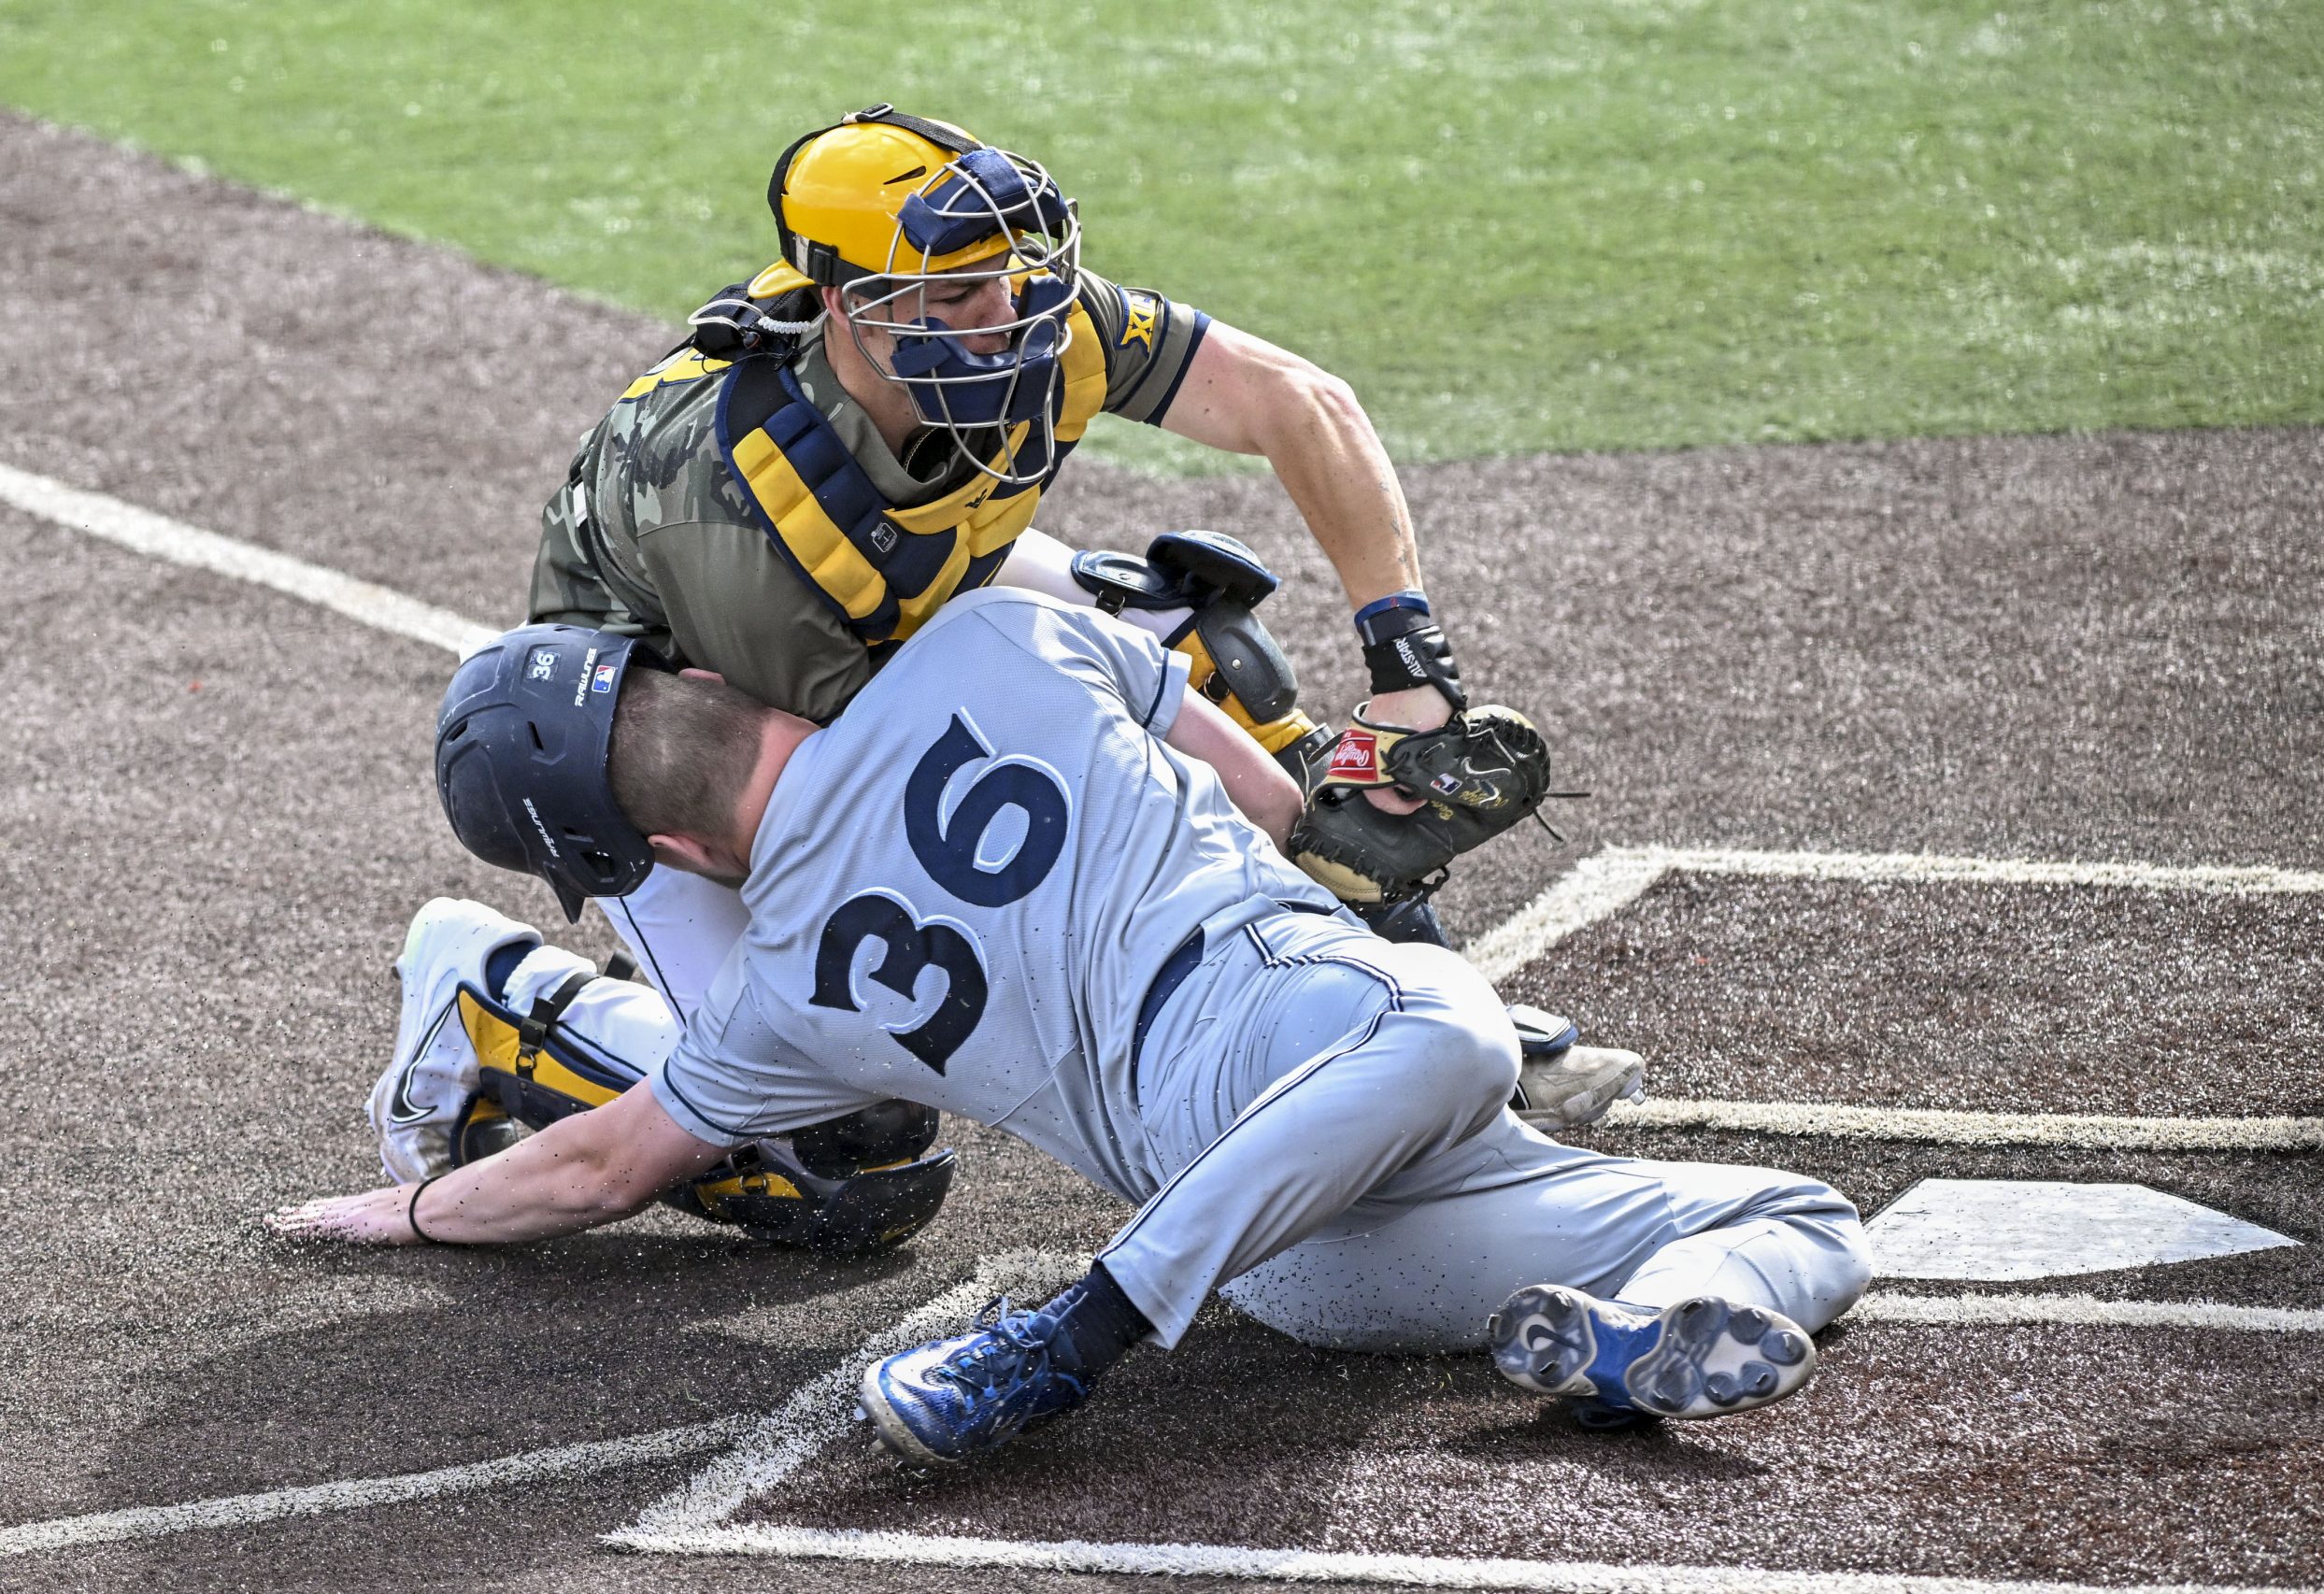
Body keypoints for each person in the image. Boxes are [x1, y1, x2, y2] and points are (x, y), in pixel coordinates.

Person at [274, 594, 1872, 1459]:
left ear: (661, 854)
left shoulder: (782, 1003)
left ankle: (1646, 1333)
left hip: (1288, 1258)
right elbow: (1275, 797)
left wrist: (406, 1208)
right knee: (1450, 1036)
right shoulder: (998, 633)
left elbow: (598, 1171)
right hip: (1328, 1040)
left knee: (1796, 1222)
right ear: (699, 671)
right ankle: (1069, 1342)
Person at [517, 104, 1606, 1127]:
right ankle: (509, 999)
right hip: (677, 742)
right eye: (954, 295)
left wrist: (1406, 665)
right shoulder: (742, 510)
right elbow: (846, 812)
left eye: (1005, 273)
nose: (1006, 317)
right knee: (841, 1140)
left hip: (892, 589)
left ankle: (1411, 994)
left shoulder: (1031, 325)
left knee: (1200, 648)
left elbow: (1297, 401)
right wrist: (1237, 824)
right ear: (851, 306)